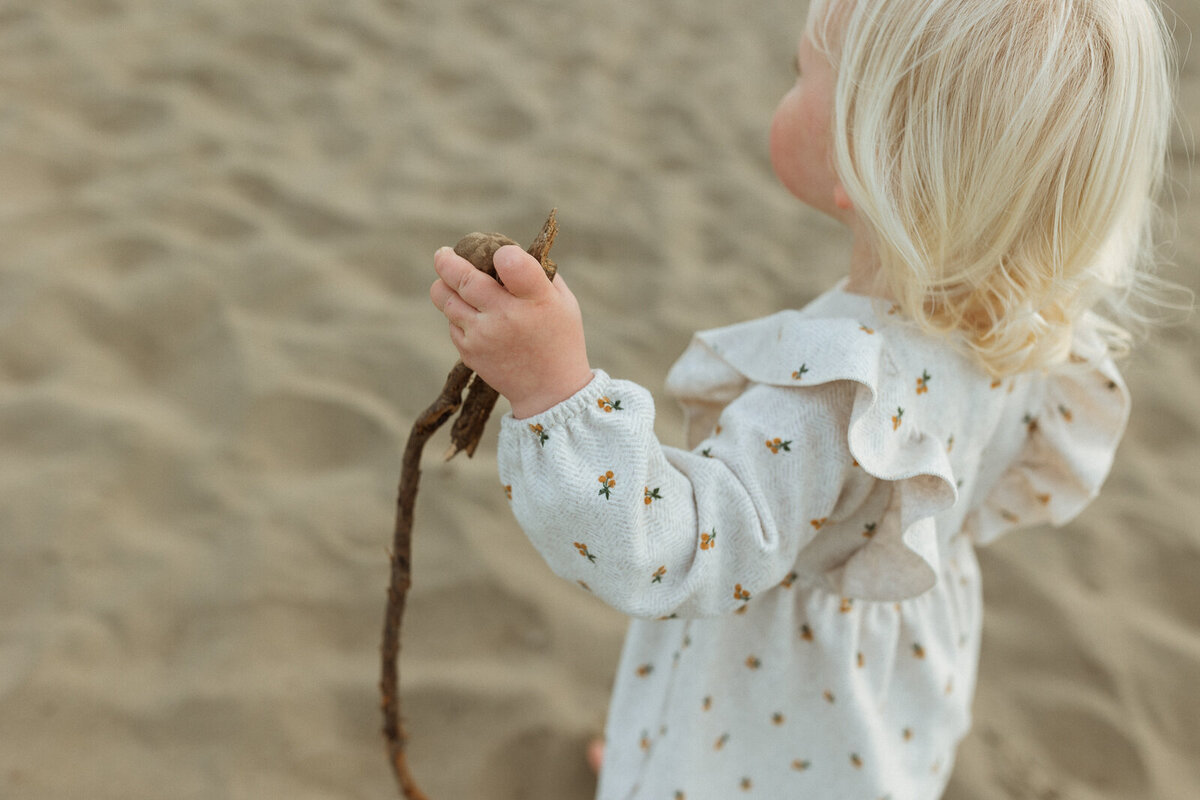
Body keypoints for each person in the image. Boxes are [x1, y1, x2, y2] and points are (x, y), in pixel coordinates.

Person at [429, 0, 1180, 796]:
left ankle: (685, 762)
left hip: (771, 701)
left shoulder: (836, 397)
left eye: (802, 75)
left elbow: (670, 550)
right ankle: (669, 745)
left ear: (869, 154)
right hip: (878, 690)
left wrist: (553, 389)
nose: (786, 89)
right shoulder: (1032, 329)